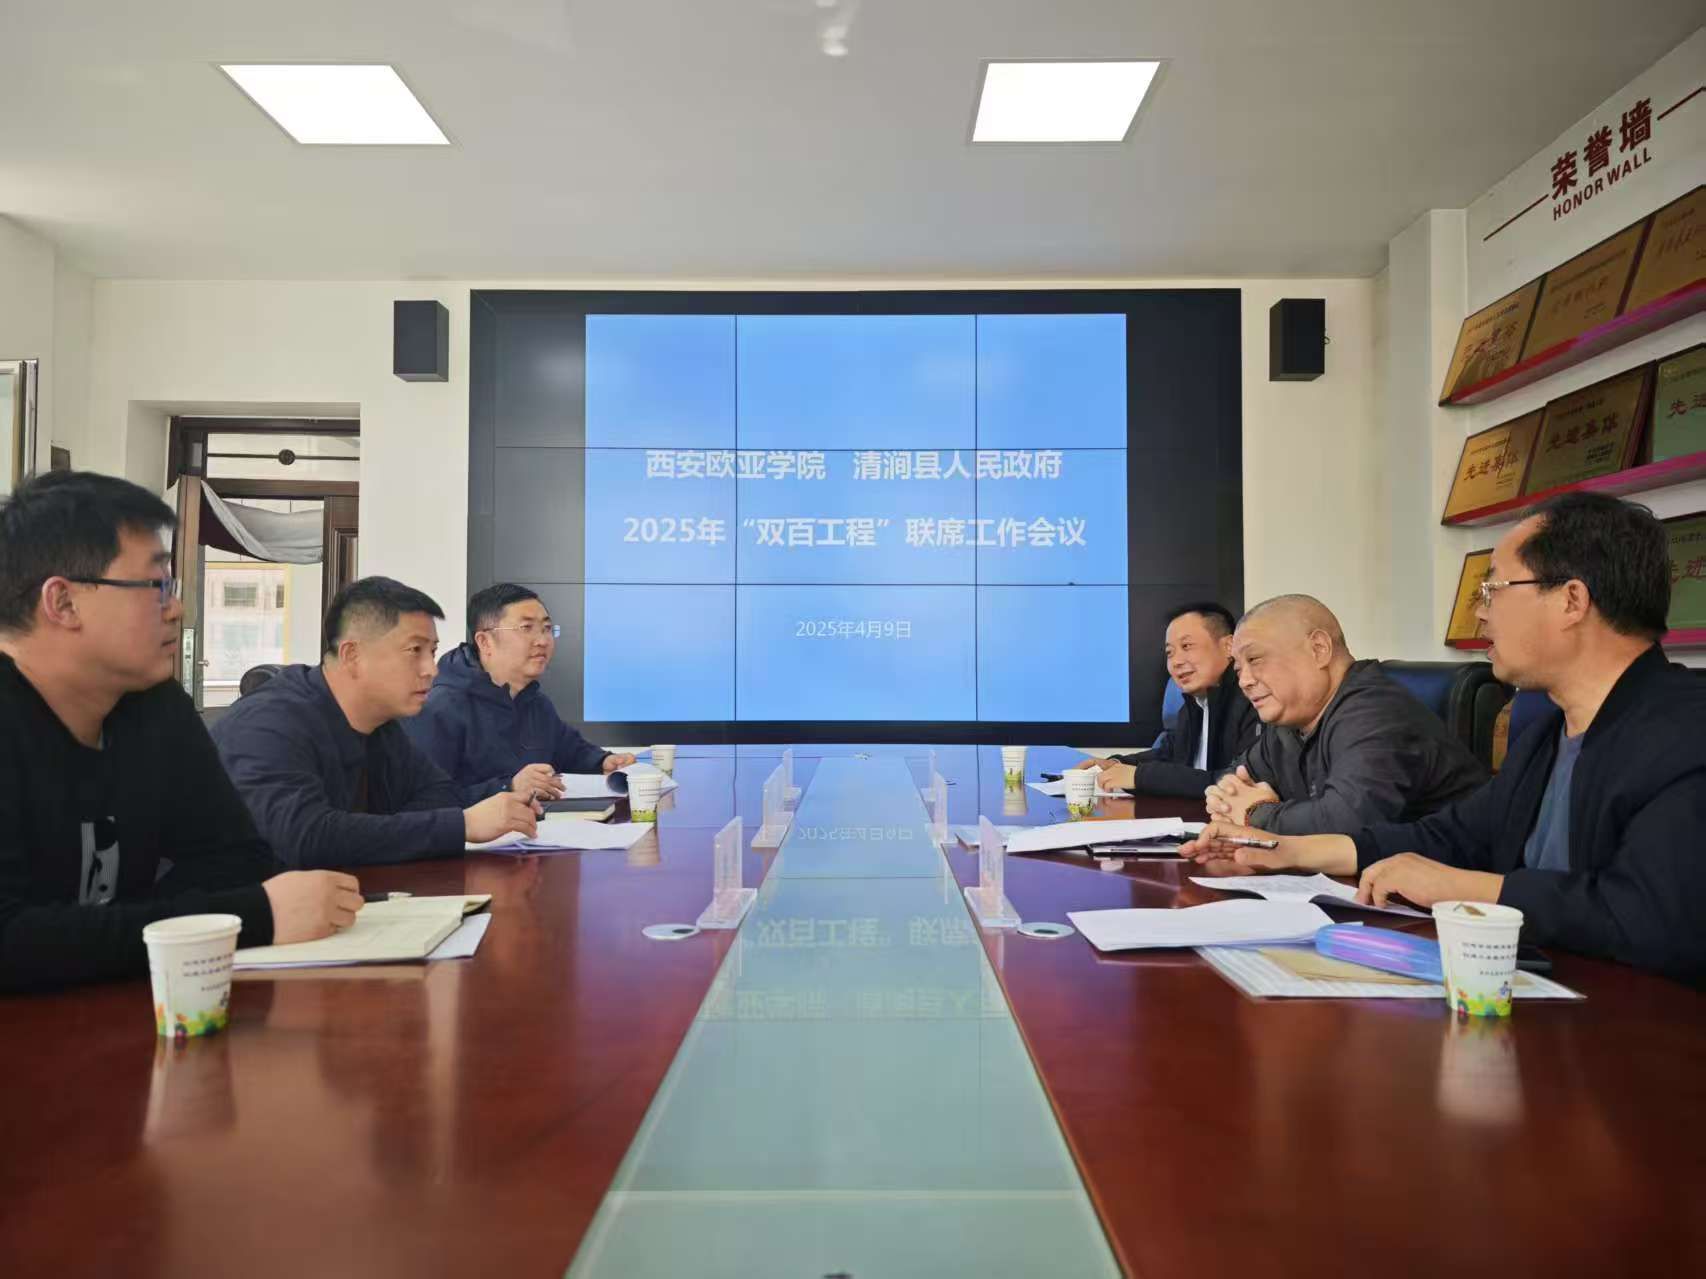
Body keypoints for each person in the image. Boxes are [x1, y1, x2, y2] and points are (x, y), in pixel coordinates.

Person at [1185, 493, 1706, 986]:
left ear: (1571, 600)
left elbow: (1654, 917)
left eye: (1494, 589)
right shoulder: (1548, 733)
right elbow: (1450, 837)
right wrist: (1285, 851)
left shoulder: (1685, 731)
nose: (1480, 612)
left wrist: (1464, 887)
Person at [0, 471, 360, 992]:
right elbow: (10, 940)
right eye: (157, 586)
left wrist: (120, 933)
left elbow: (239, 859)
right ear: (64, 602)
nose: (177, 608)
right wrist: (245, 919)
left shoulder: (153, 706)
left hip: (123, 1013)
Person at [212, 576, 538, 868]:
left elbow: (440, 792)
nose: (431, 669)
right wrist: (461, 826)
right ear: (352, 655)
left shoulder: (381, 724)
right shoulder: (268, 724)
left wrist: (371, 834)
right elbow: (306, 838)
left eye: (432, 651)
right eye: (415, 650)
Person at [1205, 594, 1485, 833]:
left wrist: (1256, 813)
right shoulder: (1289, 722)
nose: (1244, 681)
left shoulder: (1376, 713)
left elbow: (1346, 825)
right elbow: (1234, 779)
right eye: (1239, 669)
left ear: (1319, 649)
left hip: (1450, 876)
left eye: (1255, 659)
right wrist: (1229, 798)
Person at [404, 583, 635, 806]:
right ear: (485, 642)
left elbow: (569, 749)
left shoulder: (535, 701)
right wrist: (509, 787)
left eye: (546, 628)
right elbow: (423, 803)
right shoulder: (438, 708)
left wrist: (603, 761)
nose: (542, 641)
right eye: (526, 628)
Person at [1074, 602, 1260, 797]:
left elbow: (1236, 783)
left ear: (1229, 646)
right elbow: (1168, 754)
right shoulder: (1195, 705)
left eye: (1187, 646)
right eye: (1170, 652)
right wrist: (1116, 764)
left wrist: (1141, 777)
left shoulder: (1254, 701)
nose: (1176, 661)